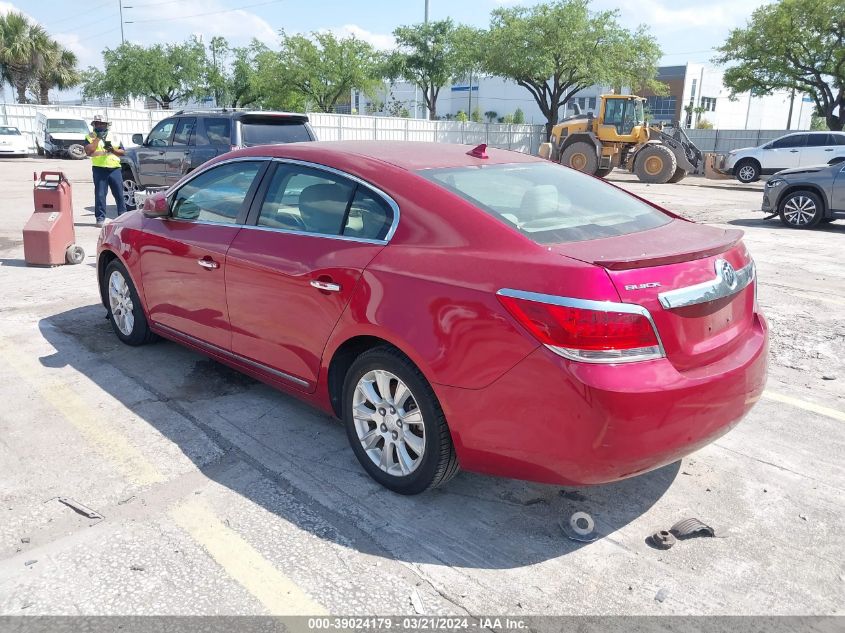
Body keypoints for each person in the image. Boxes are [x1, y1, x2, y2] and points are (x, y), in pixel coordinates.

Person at [84, 115, 126, 228]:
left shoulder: (114, 136)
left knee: (119, 194)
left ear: (106, 125)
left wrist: (113, 150)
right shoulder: (90, 136)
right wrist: (98, 138)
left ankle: (123, 216)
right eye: (97, 124)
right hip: (99, 169)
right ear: (94, 125)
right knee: (100, 195)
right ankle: (100, 218)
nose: (99, 125)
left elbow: (123, 152)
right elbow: (89, 151)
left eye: (102, 124)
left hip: (115, 169)